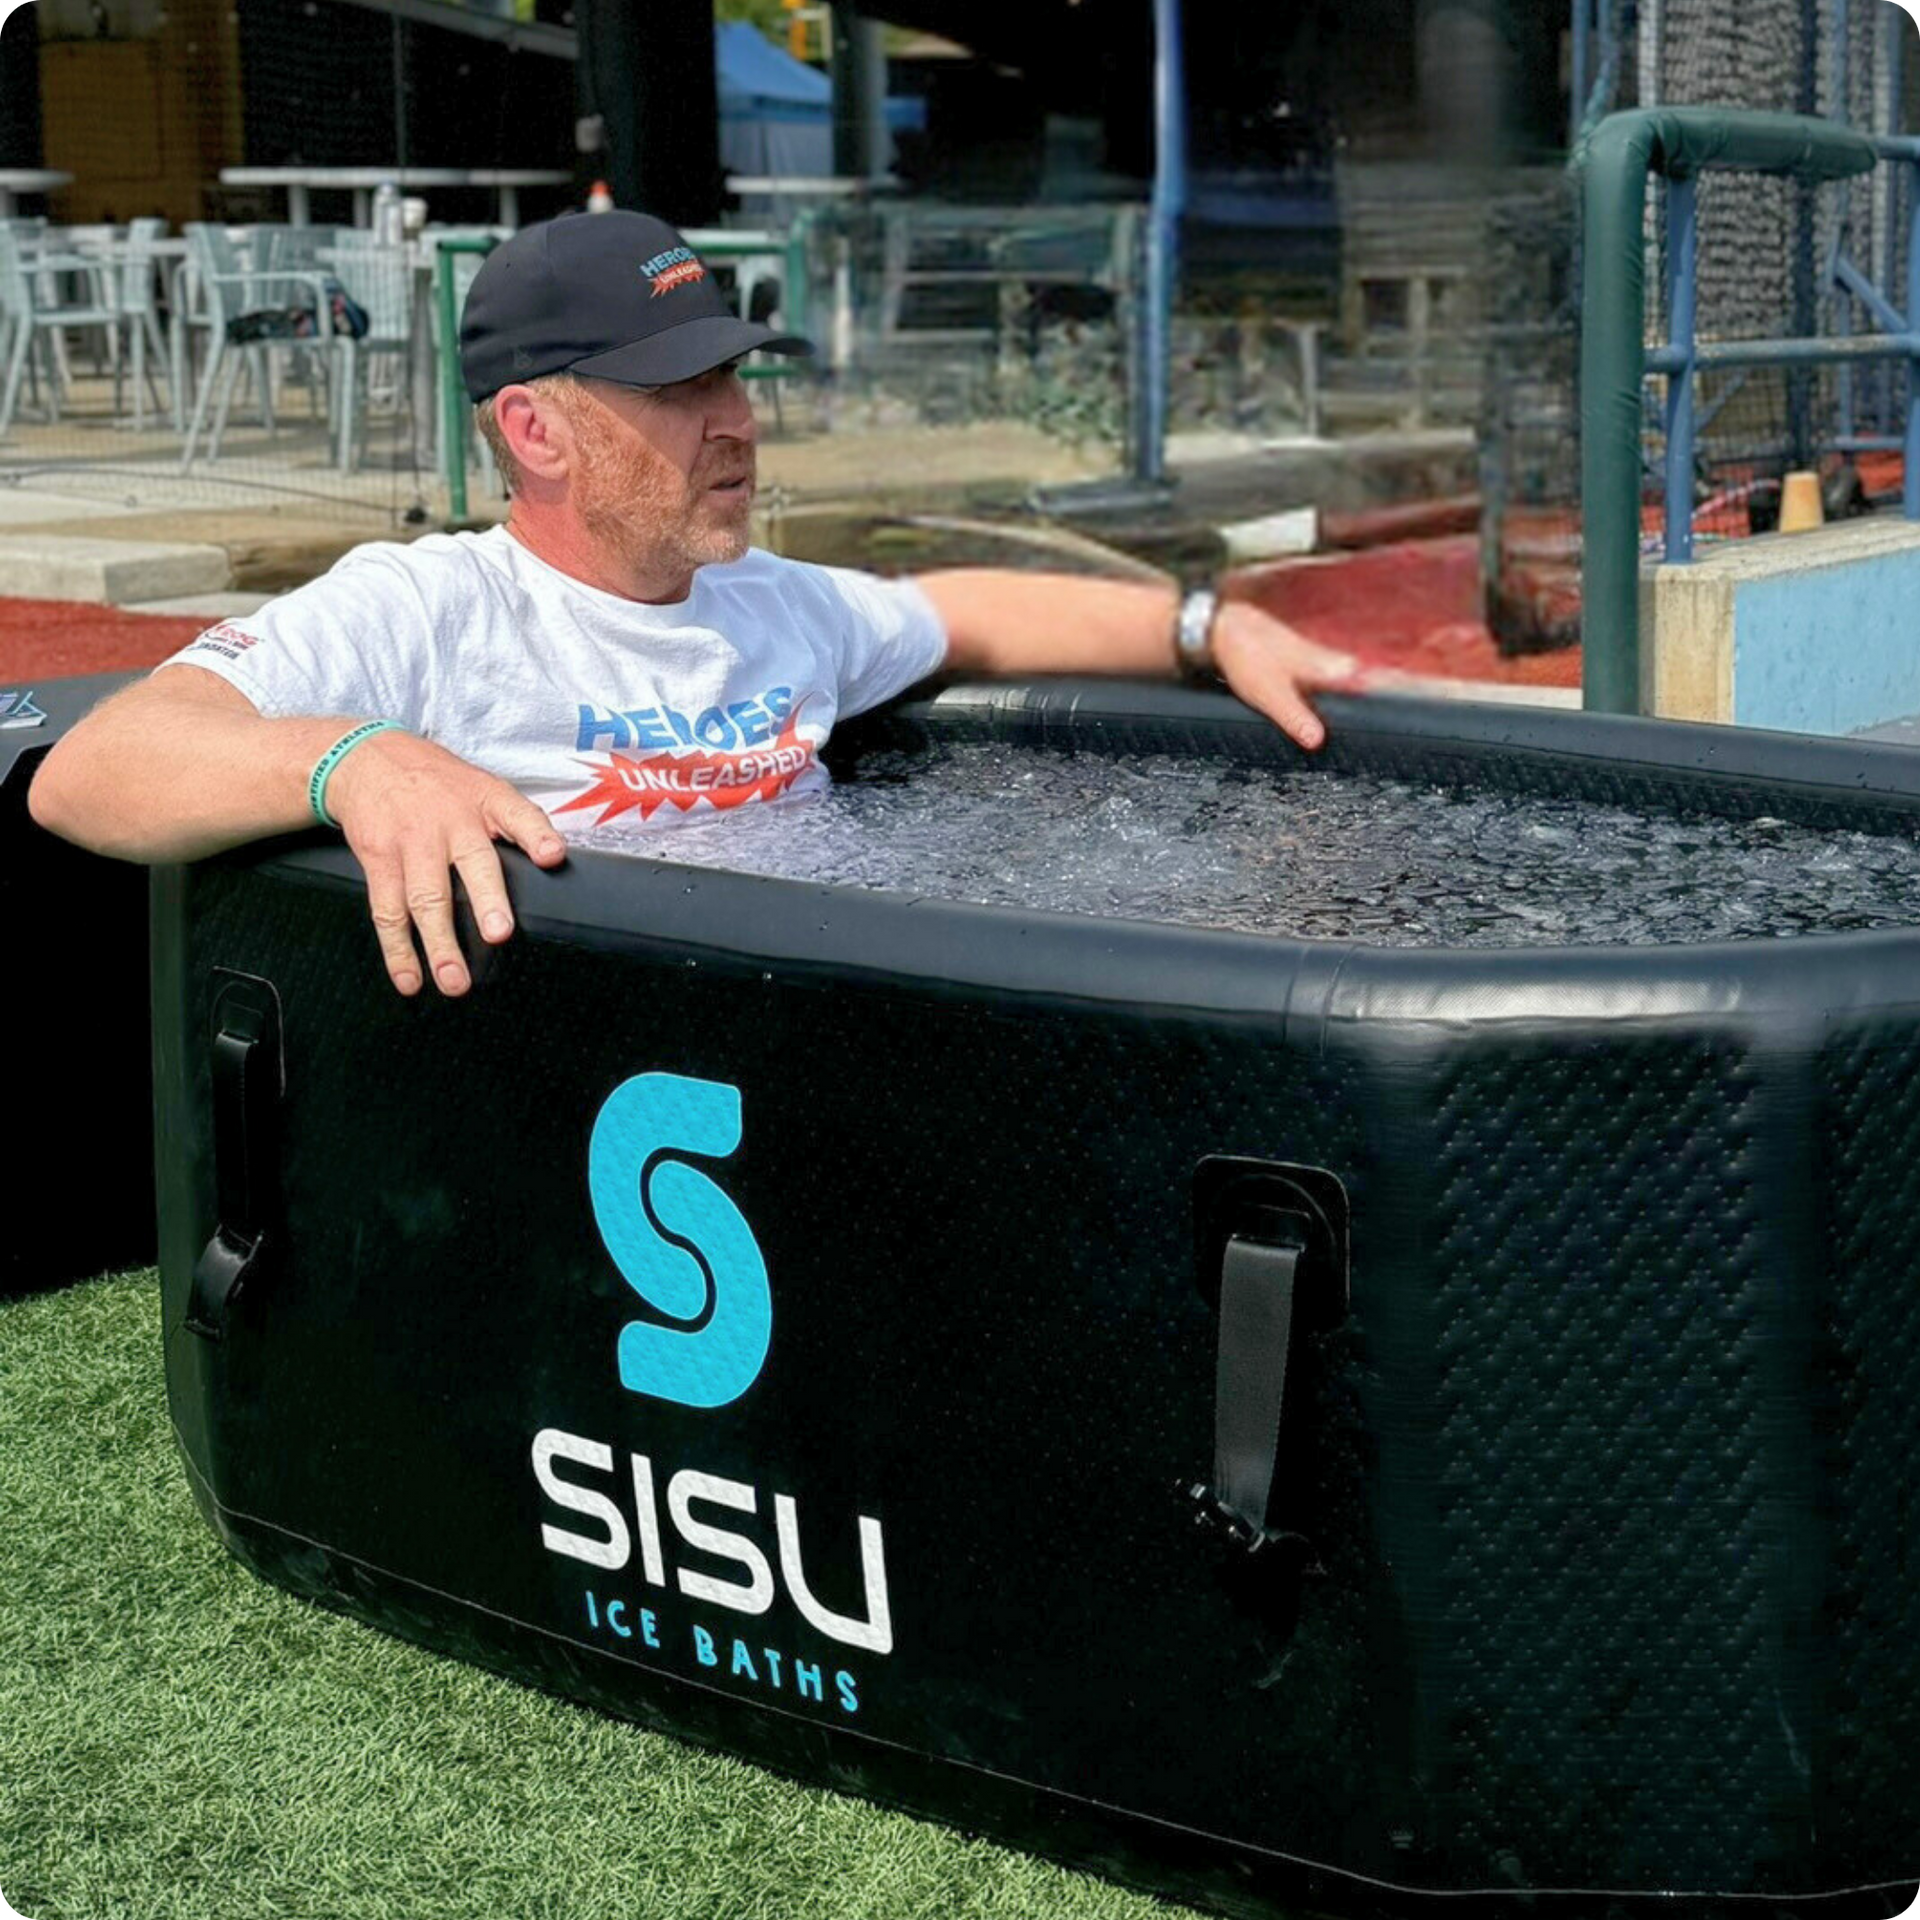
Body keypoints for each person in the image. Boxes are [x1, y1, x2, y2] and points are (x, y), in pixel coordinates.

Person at [30, 210, 1369, 1000]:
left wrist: (1207, 628)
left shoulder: (767, 603)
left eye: (733, 377)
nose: (734, 422)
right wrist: (350, 759)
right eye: (679, 389)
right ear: (535, 431)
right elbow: (88, 772)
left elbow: (965, 614)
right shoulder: (432, 611)